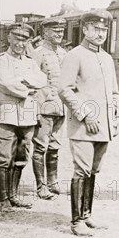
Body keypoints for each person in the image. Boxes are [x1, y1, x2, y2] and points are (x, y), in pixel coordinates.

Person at [59, 9, 119, 236]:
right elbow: (64, 90)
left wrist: (118, 115)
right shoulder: (75, 55)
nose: (100, 33)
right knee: (82, 170)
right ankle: (76, 221)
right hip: (83, 126)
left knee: (93, 171)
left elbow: (115, 93)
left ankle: (87, 215)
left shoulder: (106, 58)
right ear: (84, 29)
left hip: (104, 127)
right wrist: (85, 114)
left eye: (104, 29)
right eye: (95, 29)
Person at [0, 23, 47, 212]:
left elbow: (42, 80)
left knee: (21, 156)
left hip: (27, 116)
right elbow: (5, 83)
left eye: (24, 39)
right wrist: (28, 88)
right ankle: (3, 200)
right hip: (6, 114)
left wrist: (22, 82)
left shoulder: (30, 62)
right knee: (3, 157)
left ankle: (13, 196)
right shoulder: (1, 60)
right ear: (8, 38)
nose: (20, 43)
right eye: (17, 38)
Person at [31, 17, 67, 200]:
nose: (59, 33)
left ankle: (53, 181)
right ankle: (41, 185)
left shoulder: (63, 53)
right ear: (45, 32)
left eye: (61, 30)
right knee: (40, 146)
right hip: (43, 107)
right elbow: (30, 83)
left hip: (60, 107)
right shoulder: (37, 54)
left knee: (55, 145)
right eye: (55, 30)